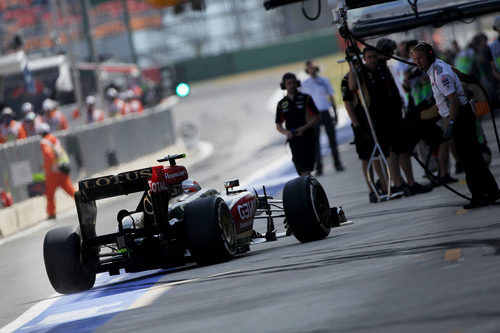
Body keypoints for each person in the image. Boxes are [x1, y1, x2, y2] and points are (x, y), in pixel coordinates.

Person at [411, 42, 500, 209]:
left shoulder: (439, 74)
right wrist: (463, 76)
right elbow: (453, 69)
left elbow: (454, 100)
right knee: (474, 157)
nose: (417, 62)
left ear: (429, 55)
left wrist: (451, 124)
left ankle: (478, 196)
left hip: (460, 117)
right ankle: (492, 191)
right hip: (463, 115)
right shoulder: (438, 65)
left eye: (420, 58)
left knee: (467, 159)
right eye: (415, 59)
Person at [348, 46, 433, 196]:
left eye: (375, 56)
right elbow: (352, 87)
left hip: (394, 114)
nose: (373, 59)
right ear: (364, 58)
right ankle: (399, 184)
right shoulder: (361, 72)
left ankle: (411, 183)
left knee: (404, 149)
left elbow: (392, 84)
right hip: (377, 118)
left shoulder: (382, 67)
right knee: (390, 151)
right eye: (369, 57)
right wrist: (351, 64)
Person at [341, 57, 390, 203]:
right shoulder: (346, 80)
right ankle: (372, 189)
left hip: (373, 119)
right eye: (353, 64)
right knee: (366, 157)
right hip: (360, 123)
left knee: (378, 153)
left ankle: (384, 184)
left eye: (357, 62)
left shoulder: (367, 74)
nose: (356, 65)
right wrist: (356, 124)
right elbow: (347, 103)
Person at [301, 60, 344, 175]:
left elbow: (331, 97)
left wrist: (335, 113)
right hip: (313, 116)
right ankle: (319, 167)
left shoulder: (324, 80)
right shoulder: (304, 84)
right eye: (309, 68)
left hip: (325, 112)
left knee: (332, 139)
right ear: (307, 70)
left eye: (313, 67)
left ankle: (337, 163)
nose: (312, 70)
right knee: (315, 142)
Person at [276, 72, 320, 176]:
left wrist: (304, 128)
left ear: (297, 83)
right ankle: (308, 189)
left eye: (293, 82)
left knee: (307, 170)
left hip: (308, 137)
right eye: (289, 83)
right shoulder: (281, 104)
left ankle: (309, 189)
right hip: (293, 139)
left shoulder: (306, 98)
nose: (291, 85)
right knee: (301, 171)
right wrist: (286, 132)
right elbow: (278, 124)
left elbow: (317, 117)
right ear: (284, 85)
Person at [38, 123, 75, 219]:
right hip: (63, 168)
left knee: (49, 193)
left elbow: (48, 154)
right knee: (70, 189)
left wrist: (52, 167)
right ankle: (84, 201)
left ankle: (51, 213)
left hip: (53, 172)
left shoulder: (44, 141)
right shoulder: (54, 139)